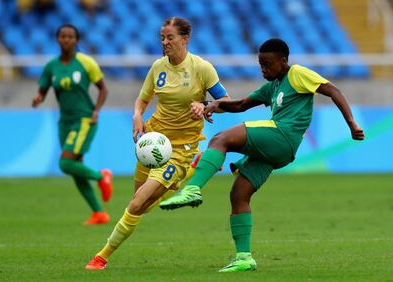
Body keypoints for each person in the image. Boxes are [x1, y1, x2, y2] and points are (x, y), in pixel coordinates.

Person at [159, 38, 365, 272]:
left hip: (282, 135)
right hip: (279, 152)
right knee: (239, 195)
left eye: (268, 64)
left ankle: (192, 189)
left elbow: (332, 90)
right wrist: (212, 104)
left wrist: (351, 123)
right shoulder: (272, 87)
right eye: (261, 64)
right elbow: (241, 105)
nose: (263, 69)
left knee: (220, 139)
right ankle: (244, 257)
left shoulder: (297, 74)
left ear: (284, 61)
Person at [85, 17, 230, 270]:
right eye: (162, 38)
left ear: (185, 38)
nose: (165, 42)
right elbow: (142, 99)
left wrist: (205, 105)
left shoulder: (201, 68)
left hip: (179, 149)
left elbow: (226, 100)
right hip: (152, 142)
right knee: (141, 203)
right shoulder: (157, 67)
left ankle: (102, 256)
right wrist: (137, 116)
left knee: (137, 203)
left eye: (170, 37)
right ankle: (191, 170)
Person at [32, 23, 113, 225]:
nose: (66, 40)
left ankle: (101, 176)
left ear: (76, 40)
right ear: (57, 39)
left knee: (65, 163)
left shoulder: (86, 62)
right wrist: (38, 97)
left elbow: (103, 89)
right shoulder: (51, 66)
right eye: (62, 36)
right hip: (64, 122)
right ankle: (99, 213)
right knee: (75, 167)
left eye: (70, 37)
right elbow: (43, 88)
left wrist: (96, 110)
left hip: (84, 119)